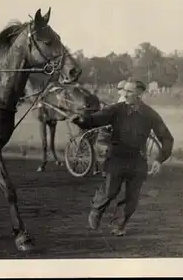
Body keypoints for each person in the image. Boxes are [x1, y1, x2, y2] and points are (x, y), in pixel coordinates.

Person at [71, 79, 174, 236]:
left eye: (129, 91)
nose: (124, 94)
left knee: (131, 198)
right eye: (124, 90)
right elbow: (97, 118)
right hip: (117, 157)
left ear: (139, 94)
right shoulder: (116, 109)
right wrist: (81, 120)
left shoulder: (149, 114)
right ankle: (96, 210)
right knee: (110, 191)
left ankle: (119, 225)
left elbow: (167, 137)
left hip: (137, 160)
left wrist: (160, 159)